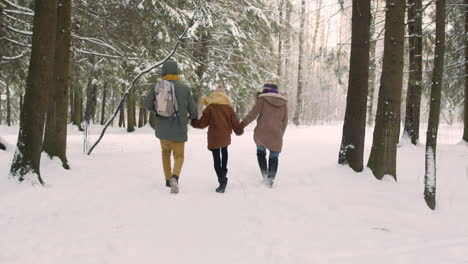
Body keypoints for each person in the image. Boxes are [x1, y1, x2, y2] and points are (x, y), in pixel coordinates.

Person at [144, 60, 198, 194]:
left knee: (165, 153)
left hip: (163, 129)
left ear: (164, 72)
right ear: (176, 72)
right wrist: (192, 117)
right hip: (178, 129)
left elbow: (147, 104)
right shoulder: (184, 88)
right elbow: (193, 111)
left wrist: (158, 110)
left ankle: (168, 180)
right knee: (179, 156)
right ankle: (175, 176)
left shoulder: (158, 86)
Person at [191, 84, 244, 193]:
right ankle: (224, 172)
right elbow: (235, 123)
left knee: (216, 158)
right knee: (224, 152)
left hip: (214, 137)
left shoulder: (210, 108)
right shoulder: (229, 108)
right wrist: (239, 131)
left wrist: (193, 122)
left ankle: (222, 180)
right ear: (224, 96)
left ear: (214, 95)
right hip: (225, 136)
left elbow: (202, 123)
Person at [241, 81, 288, 187]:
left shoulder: (262, 99)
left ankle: (265, 176)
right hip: (276, 135)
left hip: (261, 133)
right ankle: (270, 180)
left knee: (261, 154)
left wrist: (242, 124)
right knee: (274, 157)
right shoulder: (284, 103)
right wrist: (280, 133)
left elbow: (253, 114)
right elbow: (285, 121)